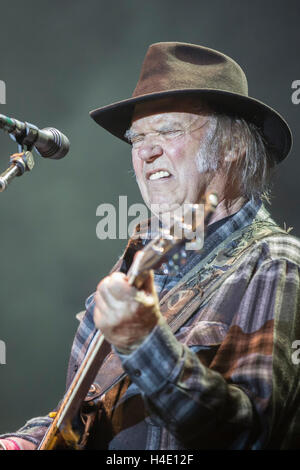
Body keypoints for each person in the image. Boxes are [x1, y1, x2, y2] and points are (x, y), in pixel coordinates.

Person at [1, 41, 300, 450]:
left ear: (233, 146)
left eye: (169, 130)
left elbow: (252, 435)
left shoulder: (274, 263)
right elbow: (79, 423)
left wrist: (145, 342)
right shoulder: (131, 270)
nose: (146, 151)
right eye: (137, 137)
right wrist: (27, 442)